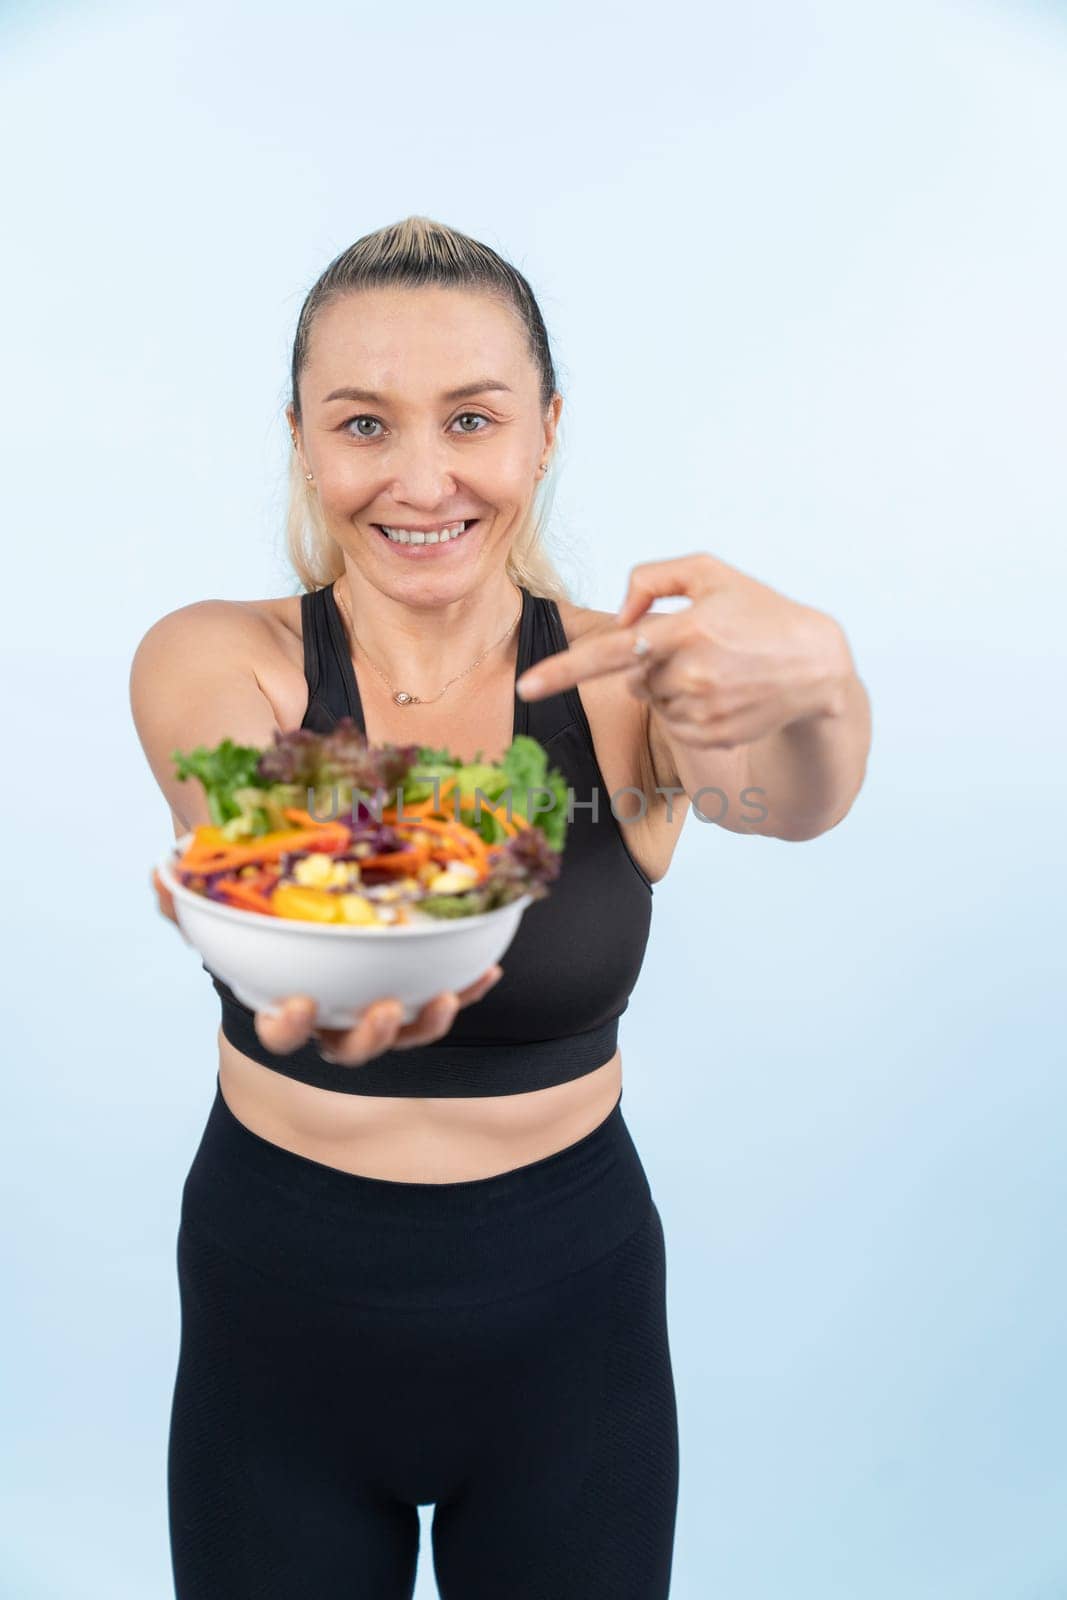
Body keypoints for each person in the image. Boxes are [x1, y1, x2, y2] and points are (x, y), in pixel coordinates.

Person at [131, 215, 870, 1599]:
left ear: (544, 433)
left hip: (566, 1328)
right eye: (364, 425)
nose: (423, 479)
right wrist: (346, 943)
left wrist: (825, 688)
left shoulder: (624, 678)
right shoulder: (215, 654)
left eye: (472, 419)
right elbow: (250, 831)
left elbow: (791, 798)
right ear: (301, 436)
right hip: (274, 1315)